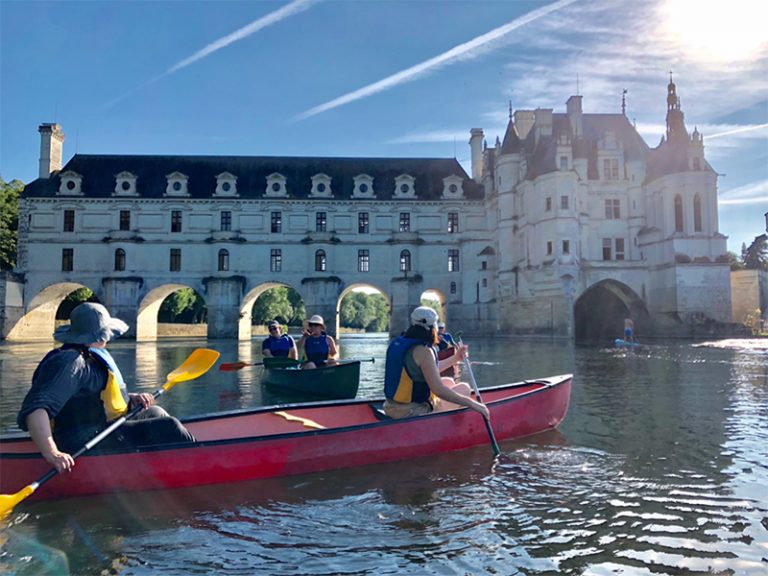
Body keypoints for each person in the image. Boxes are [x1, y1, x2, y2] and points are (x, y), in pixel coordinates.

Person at [16, 303, 195, 474]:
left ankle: (162, 466)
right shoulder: (69, 363)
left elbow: (90, 396)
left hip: (99, 427)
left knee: (156, 412)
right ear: (102, 335)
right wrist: (53, 454)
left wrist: (130, 398)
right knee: (170, 427)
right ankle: (197, 464)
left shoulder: (89, 356)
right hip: (82, 440)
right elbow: (36, 409)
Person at [383, 306, 490, 420]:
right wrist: (473, 404)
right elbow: (438, 390)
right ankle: (451, 428)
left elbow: (428, 370)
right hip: (412, 411)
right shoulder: (424, 350)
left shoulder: (397, 343)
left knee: (448, 381)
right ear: (433, 326)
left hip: (391, 407)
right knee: (464, 388)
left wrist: (455, 358)